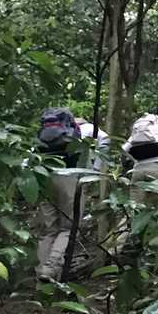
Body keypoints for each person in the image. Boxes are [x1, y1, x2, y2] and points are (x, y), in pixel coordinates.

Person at [36, 113, 109, 282]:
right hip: (70, 178)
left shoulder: (46, 134)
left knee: (49, 230)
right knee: (68, 228)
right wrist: (95, 169)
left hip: (45, 178)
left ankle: (42, 275)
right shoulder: (87, 128)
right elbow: (106, 140)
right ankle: (51, 268)